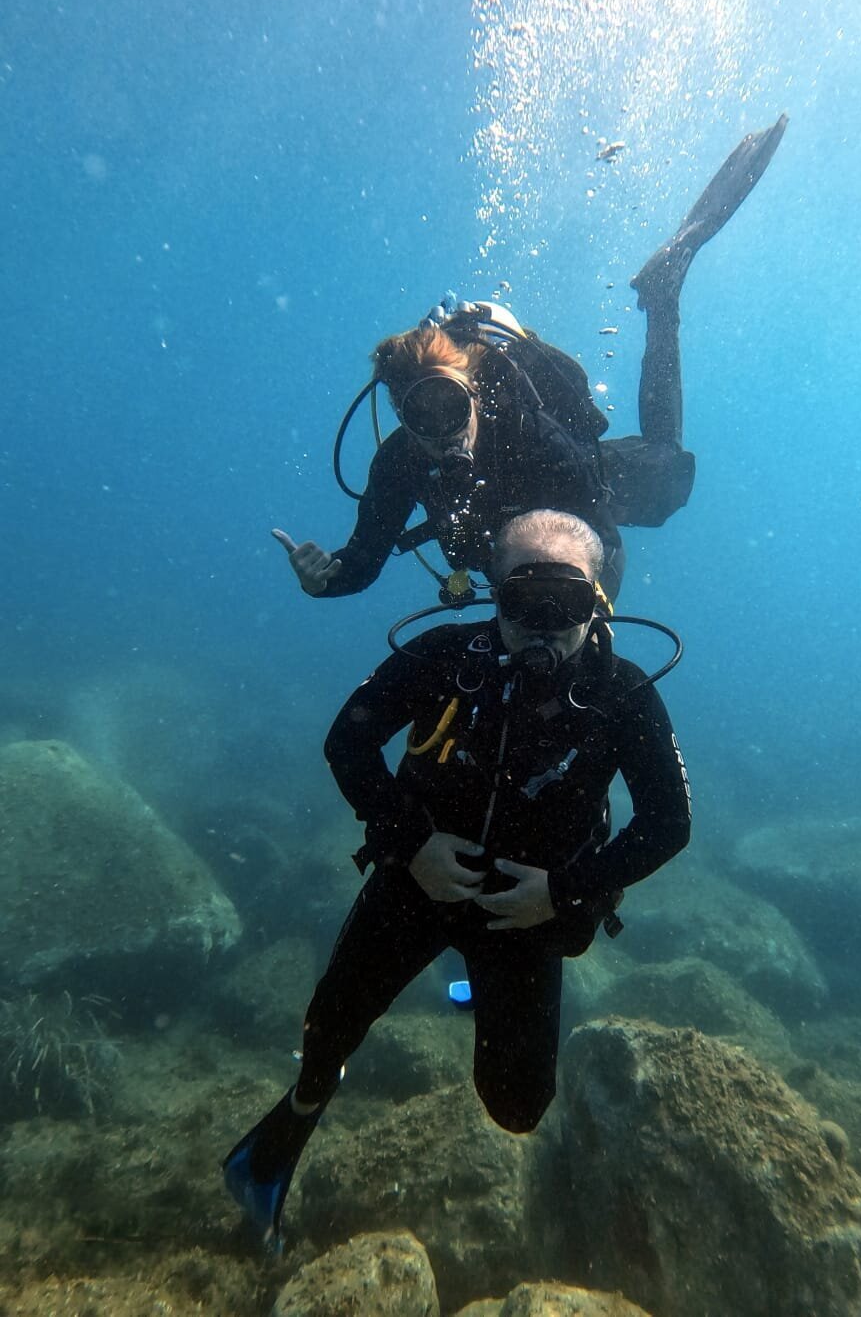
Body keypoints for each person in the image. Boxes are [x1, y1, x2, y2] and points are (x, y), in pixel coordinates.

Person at [224, 509, 692, 1248]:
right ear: (492, 592)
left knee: (518, 1108)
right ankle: (289, 1130)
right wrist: (412, 843)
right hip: (415, 884)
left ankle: (469, 985)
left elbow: (668, 822)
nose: (542, 627)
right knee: (326, 1036)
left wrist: (560, 891)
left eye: (565, 602)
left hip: (526, 913)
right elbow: (347, 742)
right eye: (523, 600)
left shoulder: (622, 692)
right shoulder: (443, 657)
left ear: (598, 600)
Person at [274, 115, 787, 603]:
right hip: (518, 562)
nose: (443, 431)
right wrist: (323, 580)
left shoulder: (529, 432)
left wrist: (591, 610)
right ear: (402, 421)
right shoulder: (400, 462)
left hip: (588, 486)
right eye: (421, 417)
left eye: (450, 405)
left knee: (666, 466)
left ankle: (662, 295)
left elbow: (604, 539)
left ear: (473, 392)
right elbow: (362, 561)